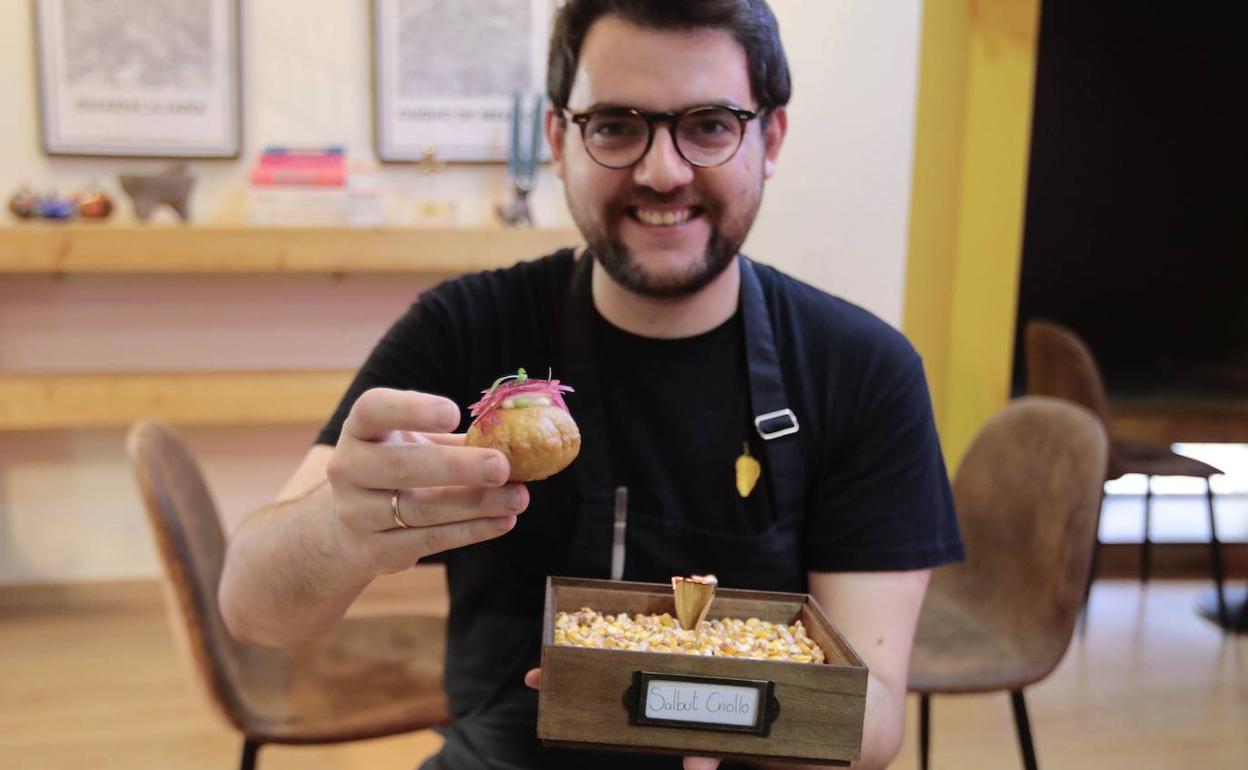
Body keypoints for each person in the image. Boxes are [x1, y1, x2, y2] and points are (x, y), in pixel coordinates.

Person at [219, 2, 963, 768]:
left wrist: (727, 715)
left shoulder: (863, 371)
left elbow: (870, 722)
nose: (663, 170)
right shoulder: (464, 328)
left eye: (709, 125)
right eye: (616, 126)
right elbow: (251, 608)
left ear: (769, 138)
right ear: (558, 141)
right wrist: (340, 531)